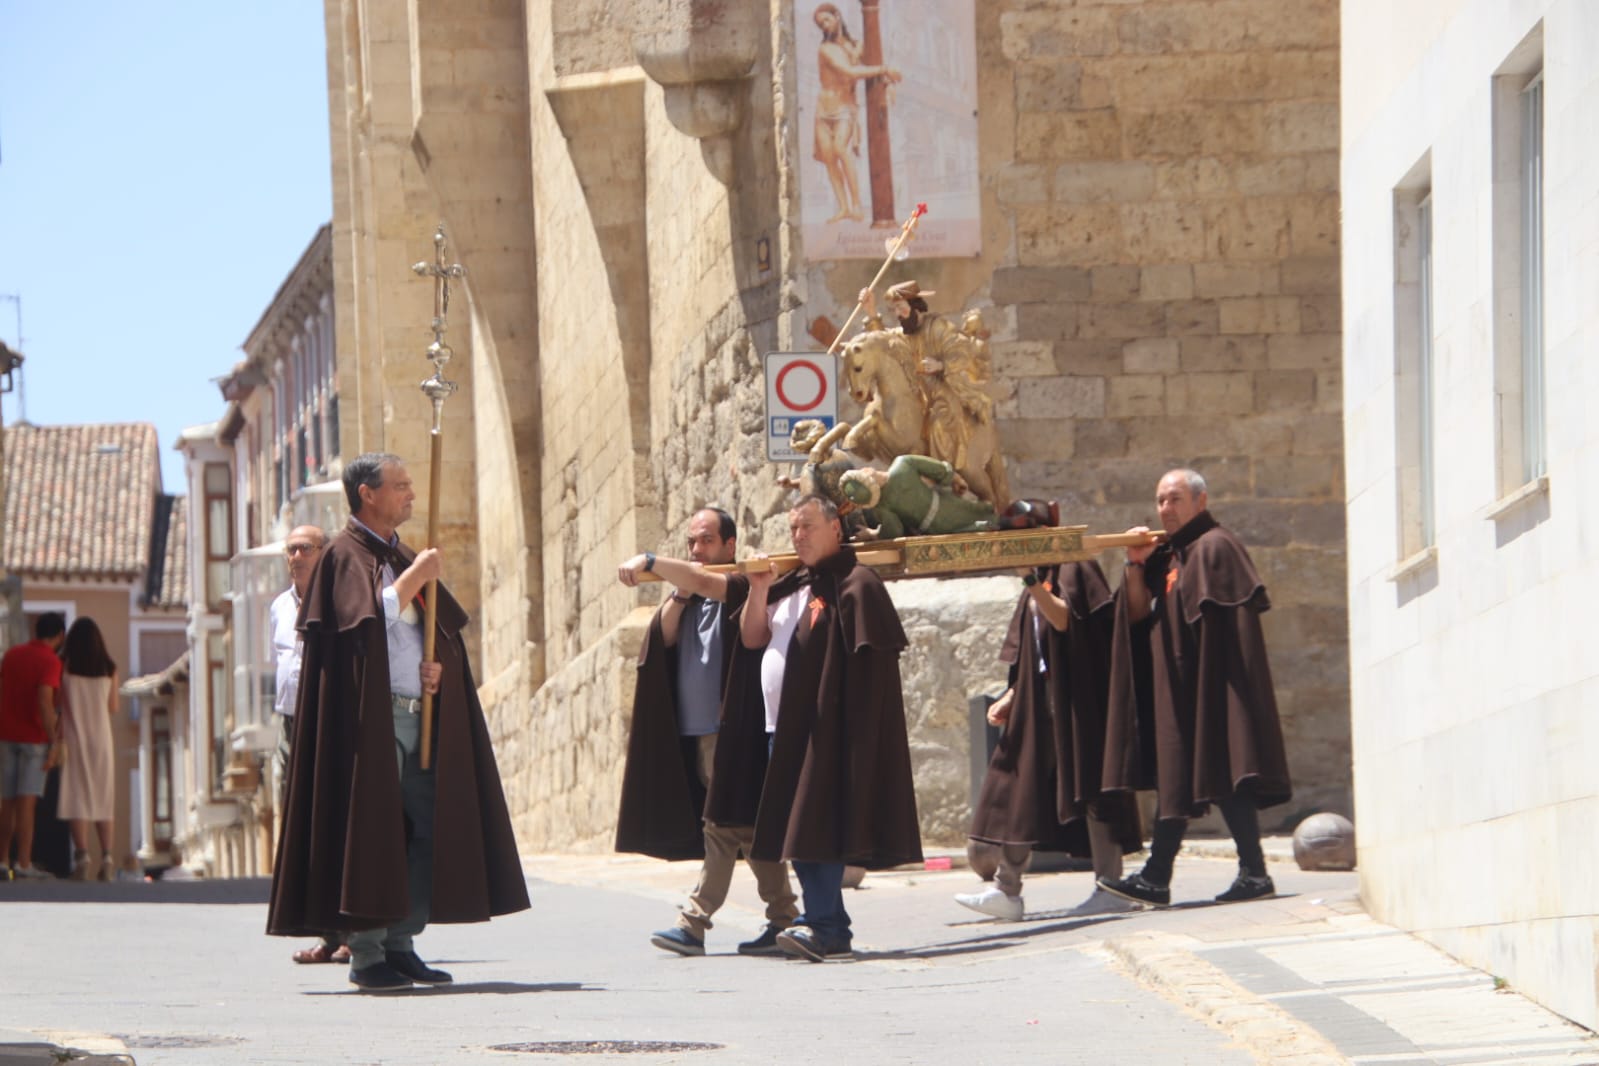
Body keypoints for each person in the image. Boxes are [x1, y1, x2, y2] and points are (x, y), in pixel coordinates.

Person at [266, 453, 530, 992]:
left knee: (424, 828)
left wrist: (434, 670)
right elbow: (362, 626)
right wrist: (415, 578)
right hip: (372, 719)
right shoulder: (341, 554)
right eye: (400, 486)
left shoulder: (398, 555)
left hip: (417, 711)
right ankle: (365, 953)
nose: (410, 495)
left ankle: (401, 941)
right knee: (374, 831)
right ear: (368, 494)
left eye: (412, 486)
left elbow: (415, 632)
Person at [706, 495, 922, 961]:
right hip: (778, 730)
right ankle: (827, 924)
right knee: (794, 831)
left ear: (835, 530)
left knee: (813, 827)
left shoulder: (857, 583)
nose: (798, 536)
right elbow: (752, 638)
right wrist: (760, 588)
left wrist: (851, 734)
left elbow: (869, 669)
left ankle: (823, 924)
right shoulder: (794, 584)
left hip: (824, 732)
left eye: (807, 526)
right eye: (793, 529)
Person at [1098, 469, 1292, 907]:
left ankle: (1169, 875)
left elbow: (1232, 631)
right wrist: (1133, 562)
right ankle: (1226, 873)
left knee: (1222, 772)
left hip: (1211, 683)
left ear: (1200, 502)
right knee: (1181, 774)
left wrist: (1221, 690)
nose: (1166, 508)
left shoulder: (1216, 547)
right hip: (1177, 684)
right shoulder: (1169, 555)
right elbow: (1133, 614)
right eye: (1161, 500)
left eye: (1175, 499)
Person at [615, 508, 800, 957]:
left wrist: (651, 561)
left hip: (733, 730)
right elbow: (664, 636)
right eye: (693, 542)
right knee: (747, 827)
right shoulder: (689, 595)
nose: (698, 550)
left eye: (707, 541)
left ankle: (694, 921)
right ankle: (785, 917)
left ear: (729, 546)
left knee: (721, 825)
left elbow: (706, 582)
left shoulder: (736, 587)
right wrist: (677, 593)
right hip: (696, 732)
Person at [955, 564, 1142, 921]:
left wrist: (1030, 582)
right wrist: (1013, 694)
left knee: (1092, 788)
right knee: (1018, 786)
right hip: (1038, 702)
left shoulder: (1075, 567)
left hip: (1080, 703)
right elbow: (1036, 652)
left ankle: (1110, 886)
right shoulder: (1039, 576)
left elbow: (1065, 620)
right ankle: (1006, 890)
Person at [269, 525, 348, 964]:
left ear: (324, 553)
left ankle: (355, 931)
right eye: (291, 549)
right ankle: (327, 934)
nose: (296, 556)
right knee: (302, 826)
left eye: (305, 548)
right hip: (289, 724)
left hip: (328, 721)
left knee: (336, 825)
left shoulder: (338, 600)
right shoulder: (279, 607)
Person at [812, 3, 899, 223]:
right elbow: (851, 72)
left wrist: (885, 78)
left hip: (844, 107)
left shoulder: (856, 46)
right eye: (821, 23)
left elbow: (866, 66)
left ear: (837, 17)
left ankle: (857, 205)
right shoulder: (825, 49)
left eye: (827, 20)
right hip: (823, 109)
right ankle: (843, 207)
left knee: (841, 148)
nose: (825, 25)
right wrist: (883, 70)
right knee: (830, 159)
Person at [0, 612, 66, 880]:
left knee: (7, 802)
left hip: (5, 734)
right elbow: (44, 701)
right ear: (59, 635)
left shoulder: (12, 655)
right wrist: (53, 741)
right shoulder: (50, 661)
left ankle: (3, 859)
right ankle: (24, 862)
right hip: (33, 739)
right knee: (27, 804)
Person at [57, 617, 119, 882]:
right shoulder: (109, 668)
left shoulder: (65, 667)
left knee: (77, 795)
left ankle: (82, 857)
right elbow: (113, 706)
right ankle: (107, 858)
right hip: (102, 739)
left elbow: (59, 703)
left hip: (74, 736)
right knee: (103, 797)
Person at [838, 454, 998, 539]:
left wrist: (871, 534)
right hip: (944, 504)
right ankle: (994, 522)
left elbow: (893, 532)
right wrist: (956, 479)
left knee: (969, 525)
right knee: (976, 513)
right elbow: (939, 469)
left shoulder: (881, 505)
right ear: (866, 470)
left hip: (933, 527)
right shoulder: (903, 463)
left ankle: (990, 524)